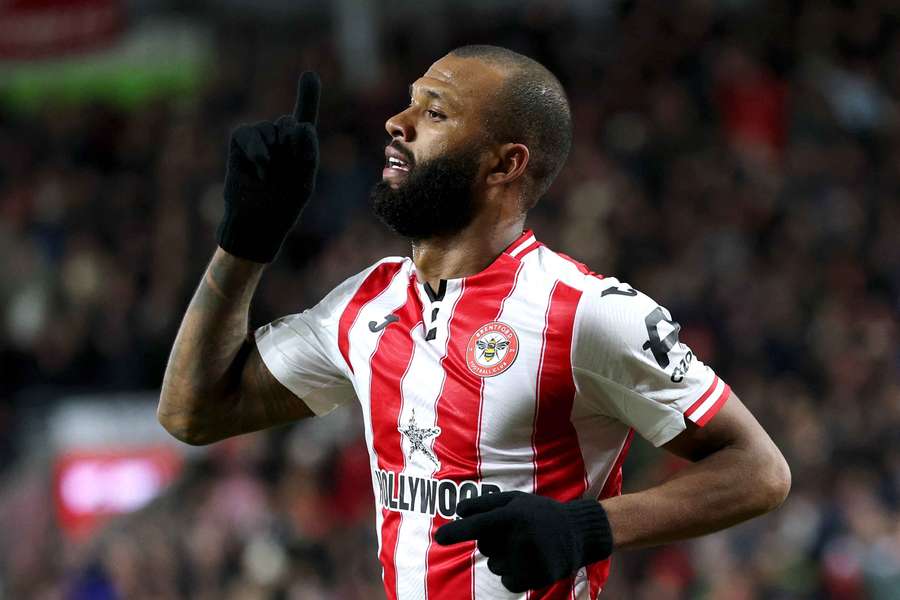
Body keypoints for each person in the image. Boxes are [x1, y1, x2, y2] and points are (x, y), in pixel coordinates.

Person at [158, 45, 791, 599]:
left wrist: (588, 528)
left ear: (504, 164)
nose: (396, 123)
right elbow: (194, 412)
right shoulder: (363, 304)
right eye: (411, 103)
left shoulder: (588, 312)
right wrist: (246, 240)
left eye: (434, 113)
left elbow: (759, 470)